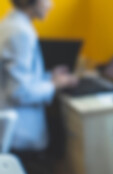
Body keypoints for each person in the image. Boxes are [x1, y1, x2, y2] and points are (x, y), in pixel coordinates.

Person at [0, 0, 77, 154]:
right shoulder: (20, 32)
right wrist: (54, 84)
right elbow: (19, 92)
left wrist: (49, 77)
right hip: (18, 129)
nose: (51, 5)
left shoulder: (9, 23)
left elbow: (17, 77)